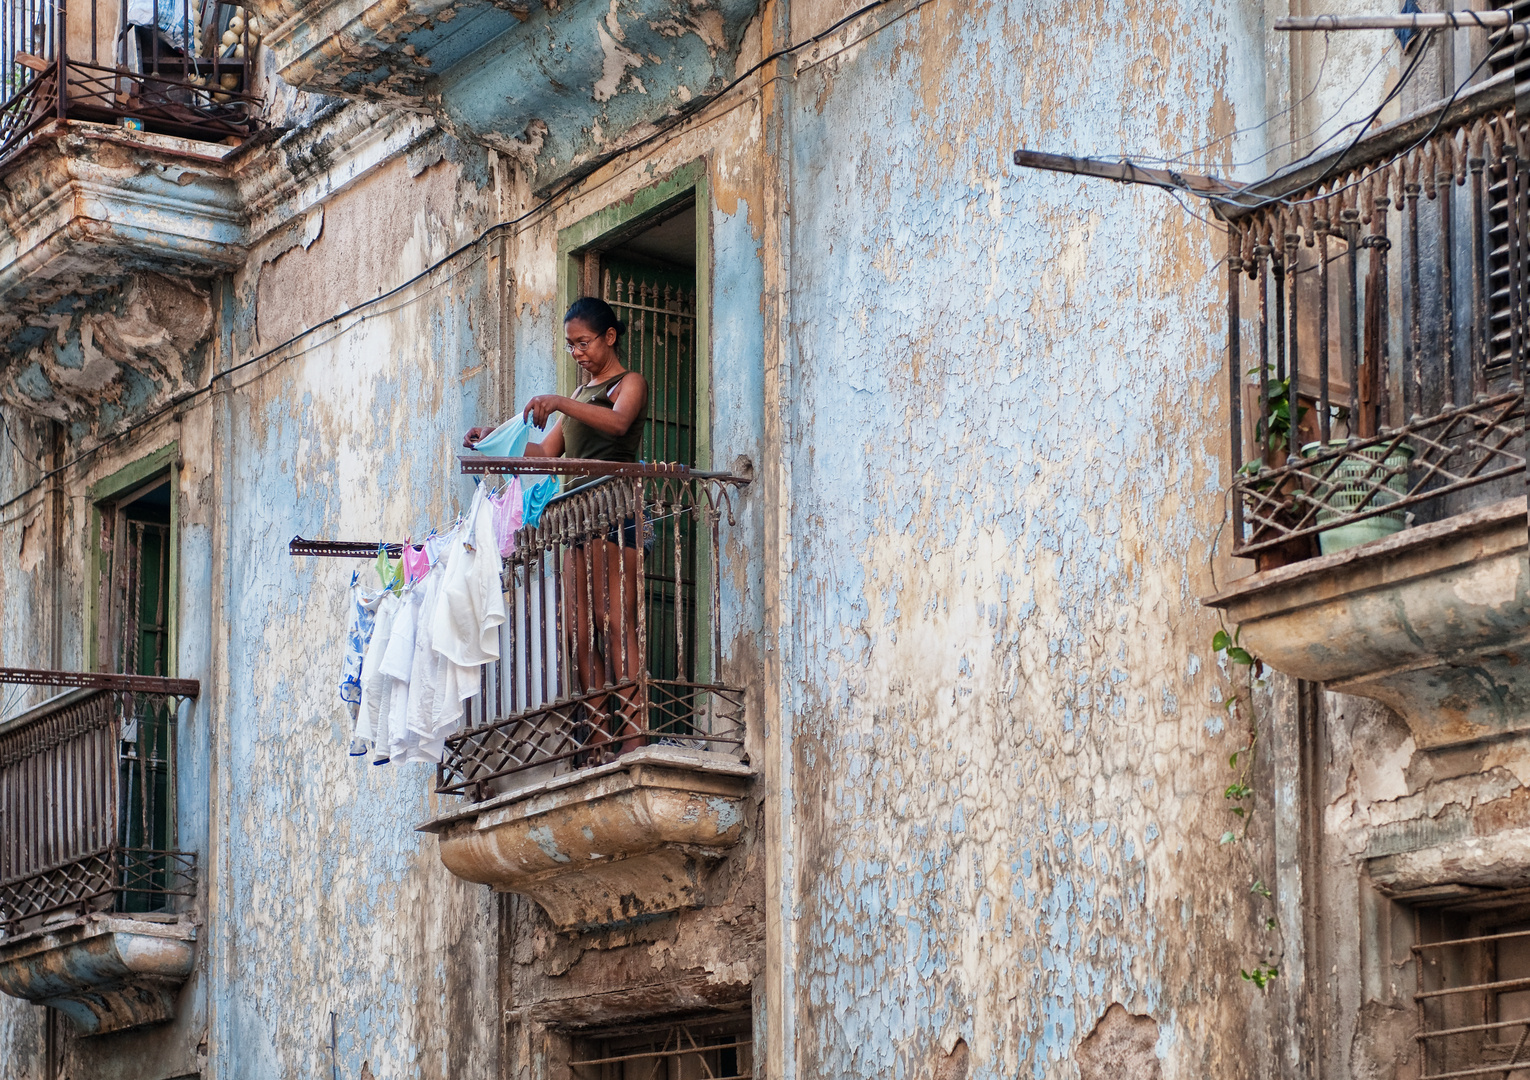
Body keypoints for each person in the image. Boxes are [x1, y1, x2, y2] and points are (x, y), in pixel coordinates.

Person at [462, 297, 650, 757]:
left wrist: (562, 400)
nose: (578, 353)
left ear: (609, 337)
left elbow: (620, 422)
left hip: (616, 509)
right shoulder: (580, 398)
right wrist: (495, 443)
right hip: (580, 518)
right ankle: (602, 738)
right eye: (570, 346)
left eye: (584, 343)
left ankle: (634, 739)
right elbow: (546, 456)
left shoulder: (629, 383)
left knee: (614, 621)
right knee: (576, 628)